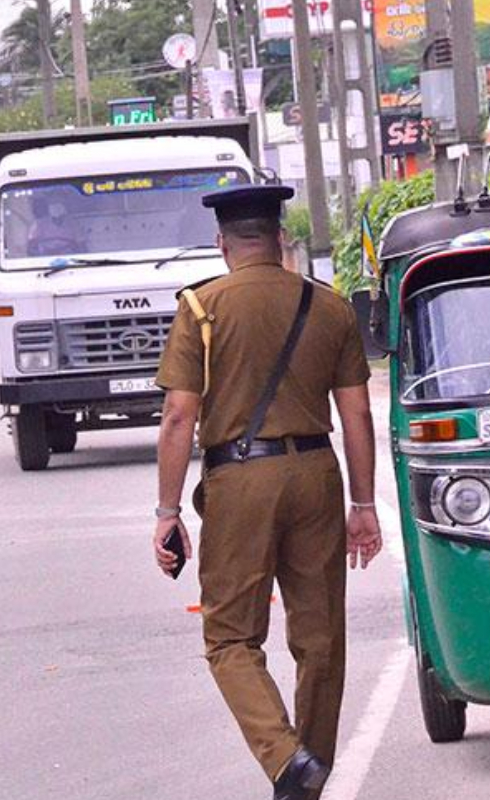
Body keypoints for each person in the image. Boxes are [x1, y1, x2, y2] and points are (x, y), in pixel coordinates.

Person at [152, 184, 383, 799]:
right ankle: (311, 769)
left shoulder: (201, 309)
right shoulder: (329, 307)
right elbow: (356, 415)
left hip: (238, 481)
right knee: (320, 636)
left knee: (229, 635)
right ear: (281, 238)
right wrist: (364, 505)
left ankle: (286, 760)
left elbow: (179, 417)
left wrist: (167, 512)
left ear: (221, 242)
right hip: (316, 475)